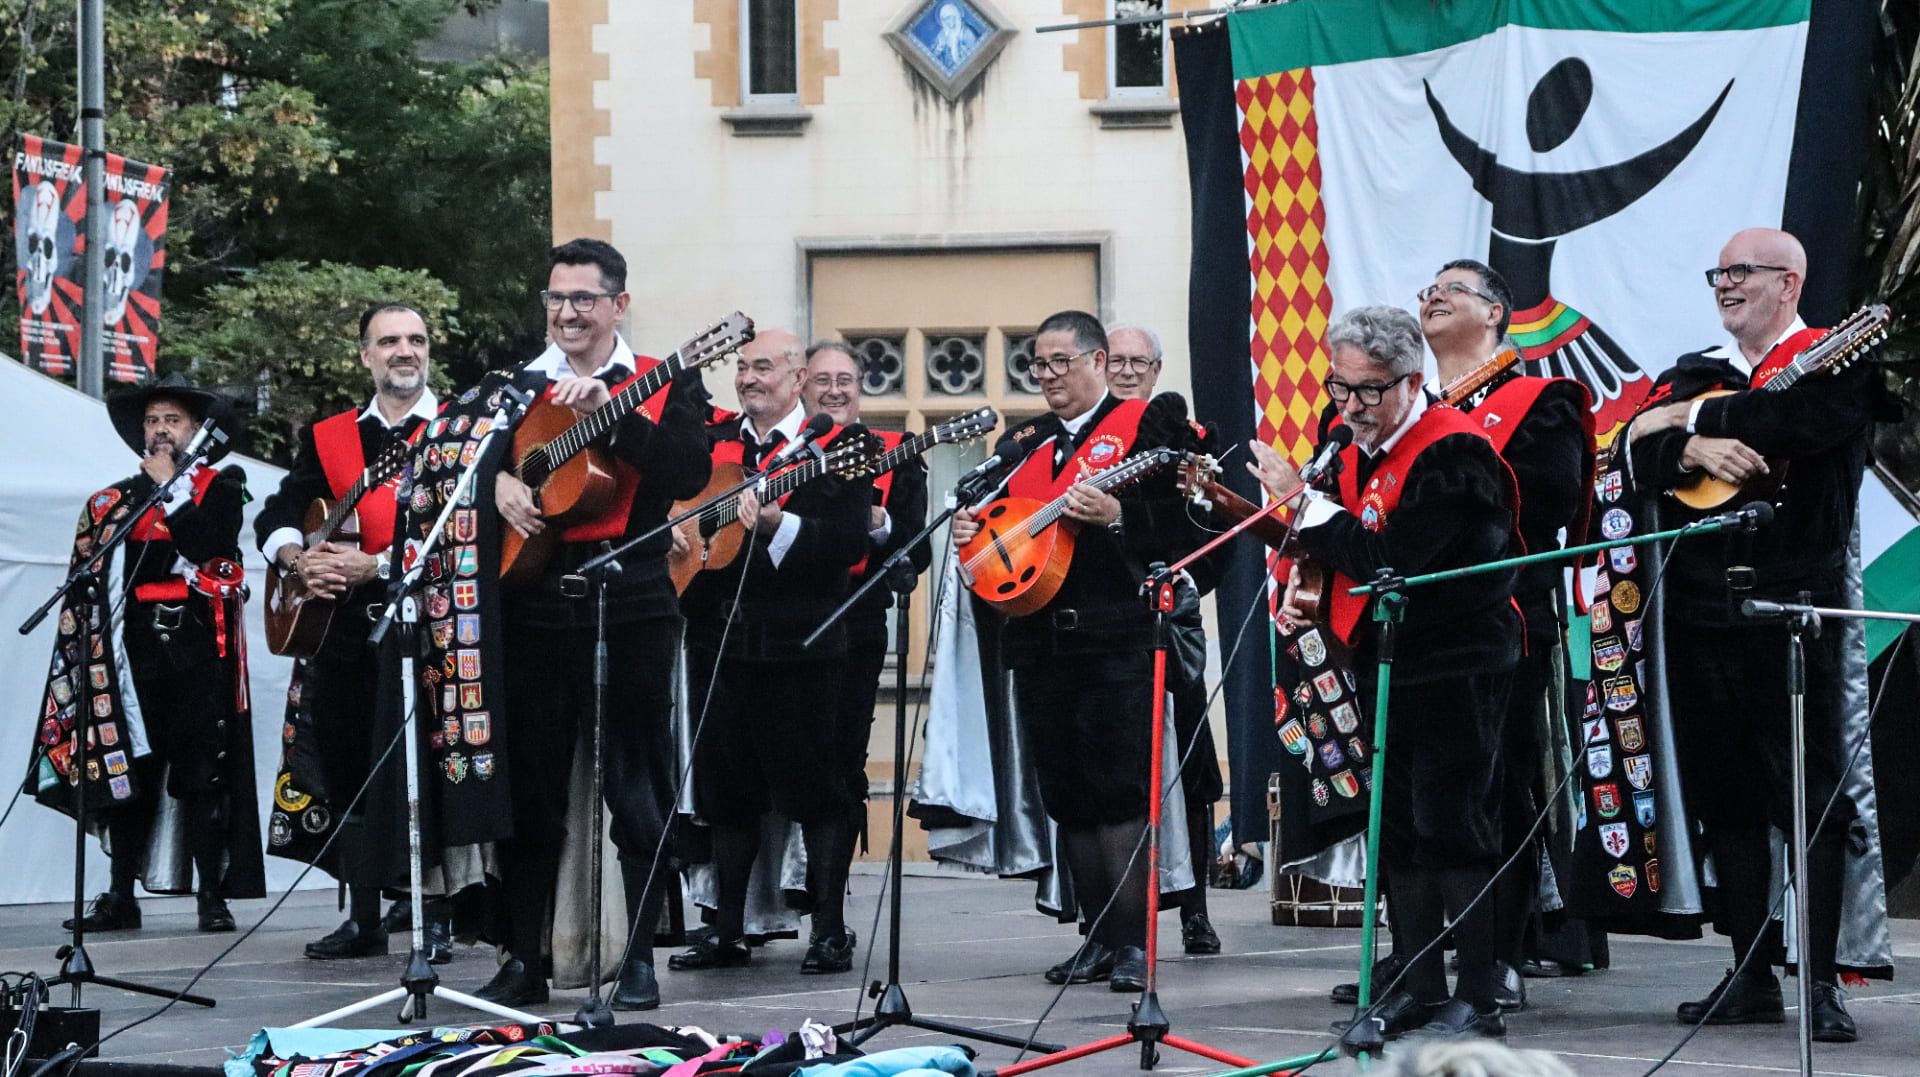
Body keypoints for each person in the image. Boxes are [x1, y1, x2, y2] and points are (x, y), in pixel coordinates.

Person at [1626, 228, 1875, 1042]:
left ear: (1790, 283)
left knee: (1811, 793)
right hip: (1702, 608)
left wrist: (1684, 418)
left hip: (1792, 604)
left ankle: (1824, 980)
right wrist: (1685, 438)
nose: (1726, 284)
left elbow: (1795, 423)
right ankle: (1750, 968)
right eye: (1720, 272)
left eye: (1743, 272)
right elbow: (1631, 450)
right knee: (1725, 797)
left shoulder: (1839, 358)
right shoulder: (1700, 368)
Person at [1248, 306, 1520, 1038]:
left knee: (1454, 822)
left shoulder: (1453, 454)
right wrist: (1279, 511)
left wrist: (1306, 507)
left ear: (1411, 379)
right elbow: (1343, 548)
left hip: (1459, 659)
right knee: (1396, 826)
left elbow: (1396, 567)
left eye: (1370, 391)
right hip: (1389, 660)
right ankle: (1418, 978)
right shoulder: (1349, 445)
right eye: (1342, 389)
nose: (1353, 408)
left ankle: (1481, 992)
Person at [476, 238, 714, 1009]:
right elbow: (463, 466)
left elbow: (686, 471)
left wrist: (611, 424)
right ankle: (524, 956)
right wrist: (502, 488)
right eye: (555, 298)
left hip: (631, 597)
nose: (566, 312)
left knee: (635, 785)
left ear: (619, 303)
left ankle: (640, 956)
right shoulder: (516, 388)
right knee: (531, 788)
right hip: (533, 602)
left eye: (583, 298)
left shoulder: (663, 381)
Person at [951, 310, 1205, 992]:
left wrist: (1120, 517)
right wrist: (973, 534)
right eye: (1039, 364)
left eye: (1061, 361)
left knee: (1119, 794)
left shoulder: (1149, 427)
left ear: (1099, 362)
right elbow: (1003, 530)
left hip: (1114, 637)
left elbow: (1184, 531)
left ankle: (1133, 944)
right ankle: (1095, 936)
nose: (1049, 375)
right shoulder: (1024, 444)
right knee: (1068, 794)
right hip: (1040, 641)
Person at [1420, 260, 1594, 1009]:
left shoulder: (1538, 402)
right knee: (1413, 796)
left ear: (1495, 314)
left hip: (1505, 620)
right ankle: (1418, 956)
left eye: (1452, 288)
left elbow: (1551, 498)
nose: (1433, 295)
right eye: (1427, 287)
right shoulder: (1405, 405)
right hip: (1415, 626)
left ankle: (1501, 953)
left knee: (1499, 787)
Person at [670, 329, 871, 974]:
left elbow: (846, 543)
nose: (749, 378)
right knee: (728, 790)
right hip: (723, 638)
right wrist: (682, 550)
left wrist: (775, 524)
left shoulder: (841, 447)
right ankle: (728, 928)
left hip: (804, 644)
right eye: (742, 367)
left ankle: (829, 930)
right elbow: (685, 517)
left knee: (817, 787)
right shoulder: (715, 444)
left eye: (763, 367)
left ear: (796, 377)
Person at [36, 375, 264, 934]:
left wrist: (174, 488)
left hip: (195, 651)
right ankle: (119, 896)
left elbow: (209, 544)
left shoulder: (222, 485)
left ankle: (212, 895)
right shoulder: (115, 500)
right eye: (154, 422)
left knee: (200, 773)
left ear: (195, 431)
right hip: (127, 656)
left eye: (173, 421)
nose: (161, 431)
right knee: (126, 768)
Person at [255, 304, 440, 960]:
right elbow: (281, 507)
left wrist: (377, 564)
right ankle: (364, 915)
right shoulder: (331, 435)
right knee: (347, 761)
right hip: (341, 635)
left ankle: (433, 911)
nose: (404, 350)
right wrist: (293, 557)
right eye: (389, 340)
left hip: (430, 627)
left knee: (428, 767)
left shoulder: (453, 433)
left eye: (415, 339)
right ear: (365, 355)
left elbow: (464, 529)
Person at [800, 340, 931, 942]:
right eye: (822, 379)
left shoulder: (895, 455)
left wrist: (880, 526)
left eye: (846, 380)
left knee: (838, 763)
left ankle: (830, 920)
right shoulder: (787, 451)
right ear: (803, 385)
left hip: (855, 624)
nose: (835, 390)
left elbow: (918, 549)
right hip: (786, 622)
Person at [1104, 321, 1223, 956]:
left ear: (1157, 369)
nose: (1125, 372)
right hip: (1097, 626)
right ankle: (1106, 929)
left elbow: (1204, 534)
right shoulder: (1085, 443)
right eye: (1115, 361)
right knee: (1110, 779)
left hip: (1167, 621)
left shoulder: (1187, 439)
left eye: (1137, 362)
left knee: (1191, 770)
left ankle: (1196, 912)